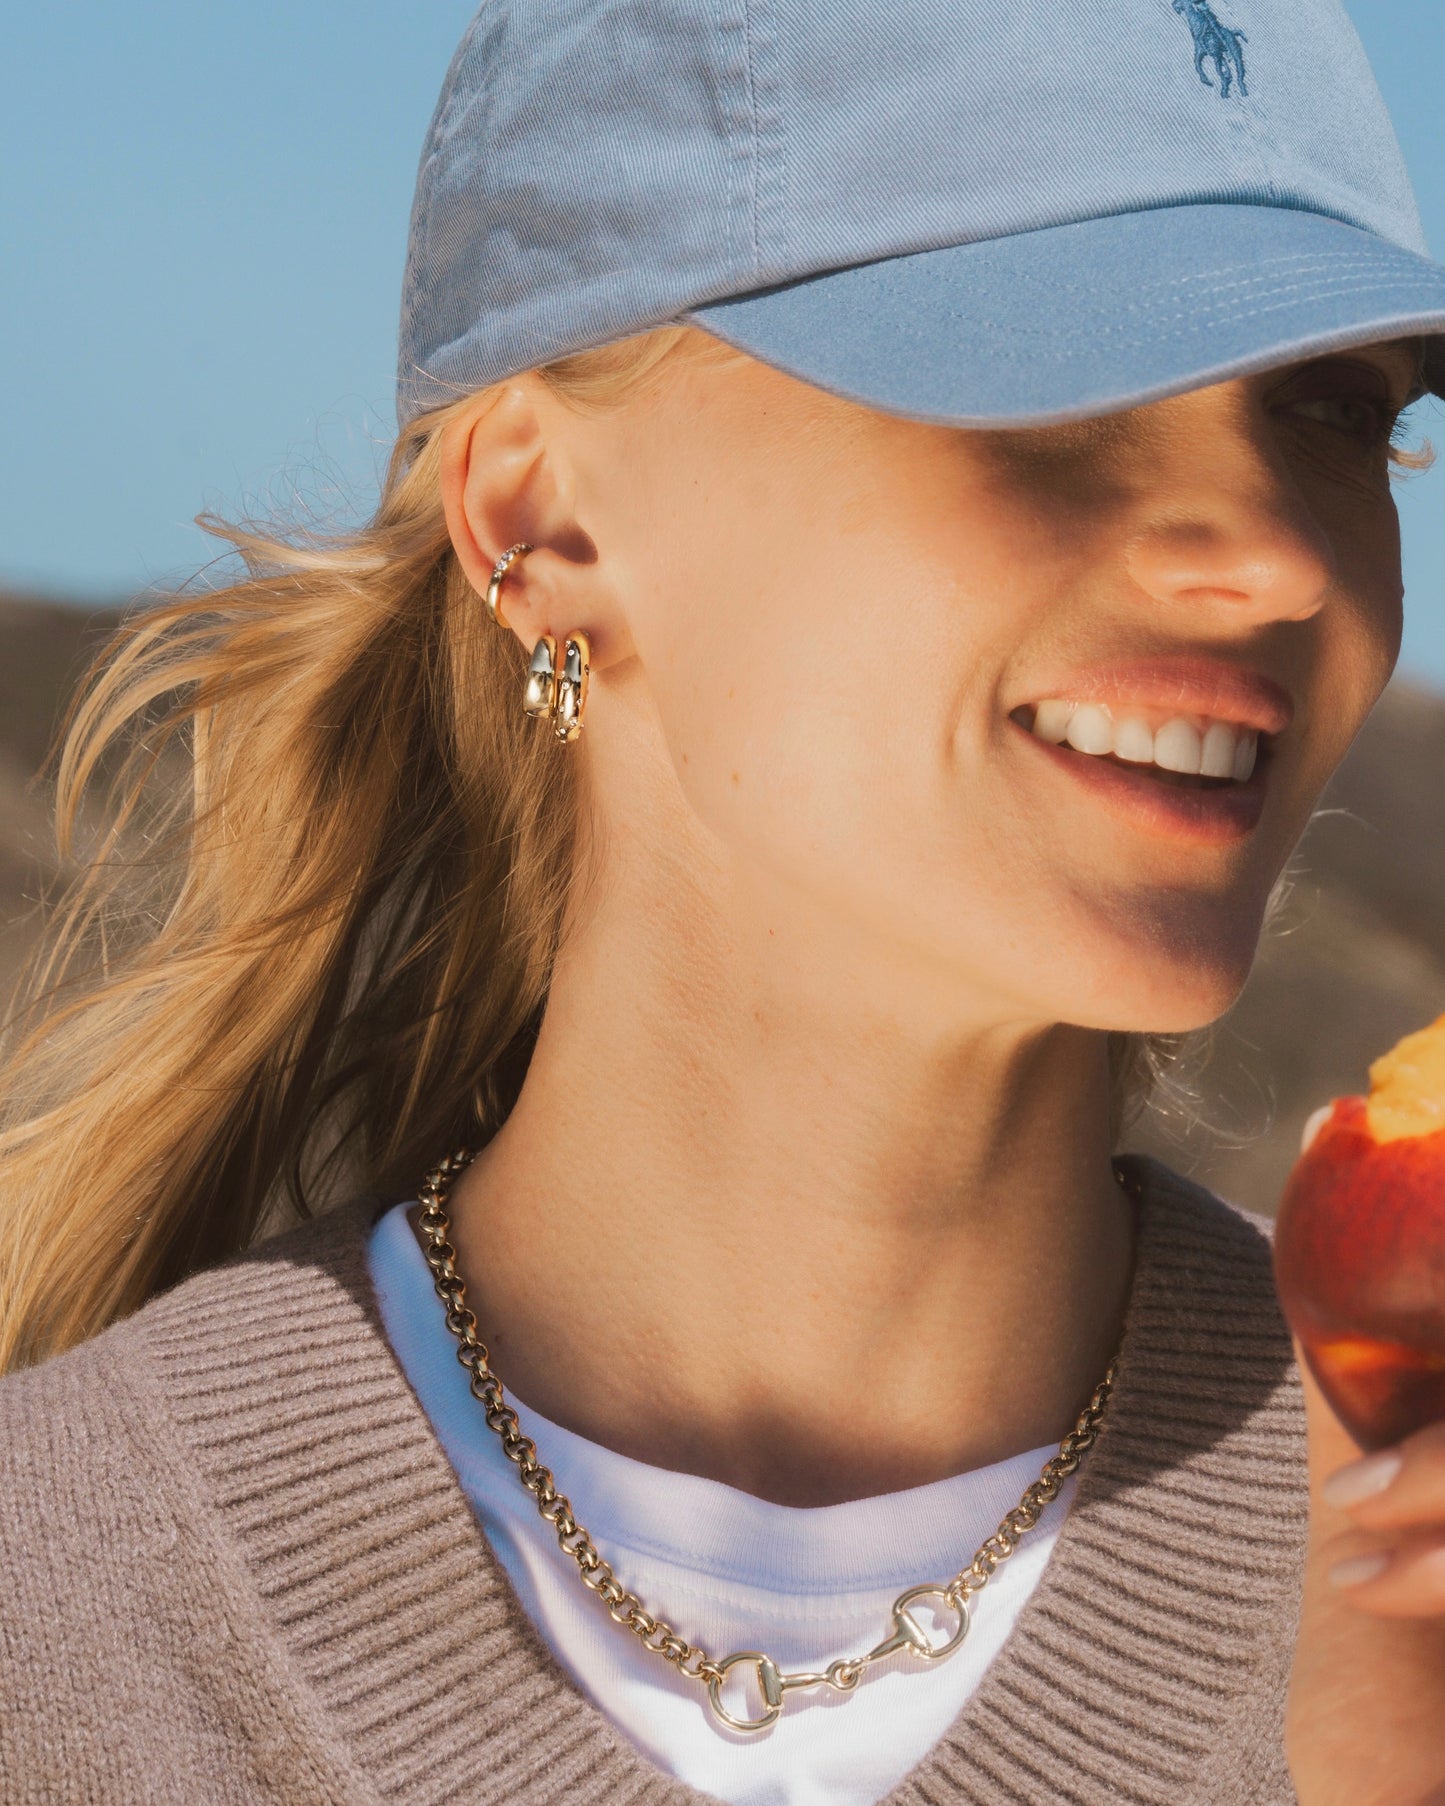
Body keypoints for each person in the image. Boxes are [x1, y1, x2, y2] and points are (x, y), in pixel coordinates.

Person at [3, 1, 1445, 1801]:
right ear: (539, 522)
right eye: (1049, 380)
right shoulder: (48, 1622)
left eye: (1331, 410)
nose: (1277, 558)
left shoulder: (1407, 1552)